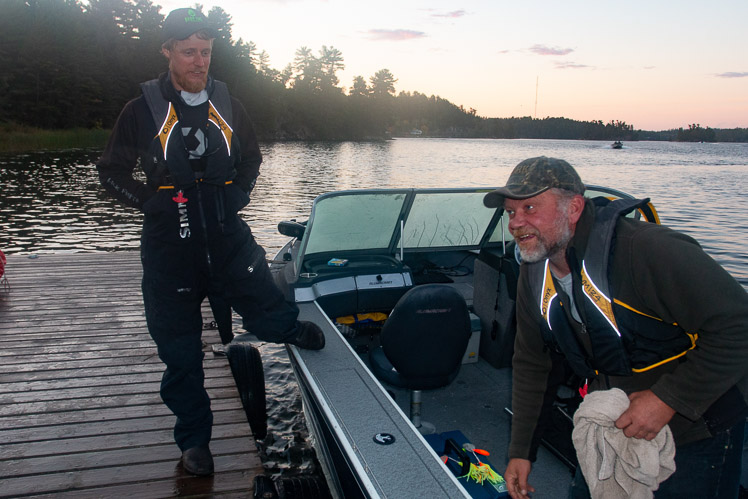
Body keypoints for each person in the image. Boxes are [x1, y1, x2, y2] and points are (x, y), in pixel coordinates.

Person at [97, 7, 324, 477]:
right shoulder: (139, 110)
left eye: (205, 52)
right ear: (167, 52)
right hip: (169, 246)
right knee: (179, 351)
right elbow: (111, 172)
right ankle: (195, 439)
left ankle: (287, 329)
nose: (199, 62)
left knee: (263, 298)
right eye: (188, 52)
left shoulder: (229, 104)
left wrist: (239, 194)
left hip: (226, 236)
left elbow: (252, 159)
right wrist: (150, 203)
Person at [482, 157, 748, 498]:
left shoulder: (647, 250)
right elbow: (533, 363)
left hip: (698, 428)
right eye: (510, 212)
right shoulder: (534, 273)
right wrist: (522, 450)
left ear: (573, 208)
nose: (516, 223)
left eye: (530, 208)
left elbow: (738, 325)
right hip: (610, 424)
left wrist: (667, 399)